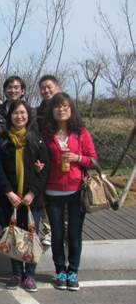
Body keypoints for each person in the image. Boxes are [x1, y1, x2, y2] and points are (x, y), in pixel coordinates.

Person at [43, 93, 97, 291]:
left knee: (74, 233)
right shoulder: (46, 134)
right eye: (57, 107)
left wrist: (78, 158)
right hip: (52, 191)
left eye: (65, 106)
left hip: (76, 190)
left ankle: (73, 270)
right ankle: (60, 271)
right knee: (57, 234)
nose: (61, 110)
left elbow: (93, 160)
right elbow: (41, 157)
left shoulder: (80, 132)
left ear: (71, 109)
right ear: (52, 110)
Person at [0, 100, 49, 292]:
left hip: (31, 200)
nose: (19, 116)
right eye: (15, 113)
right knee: (13, 236)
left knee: (31, 236)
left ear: (28, 115)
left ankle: (30, 275)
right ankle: (16, 273)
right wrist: (9, 192)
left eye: (23, 113)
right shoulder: (3, 140)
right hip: (10, 199)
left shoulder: (37, 139)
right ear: (10, 116)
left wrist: (32, 192)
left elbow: (45, 169)